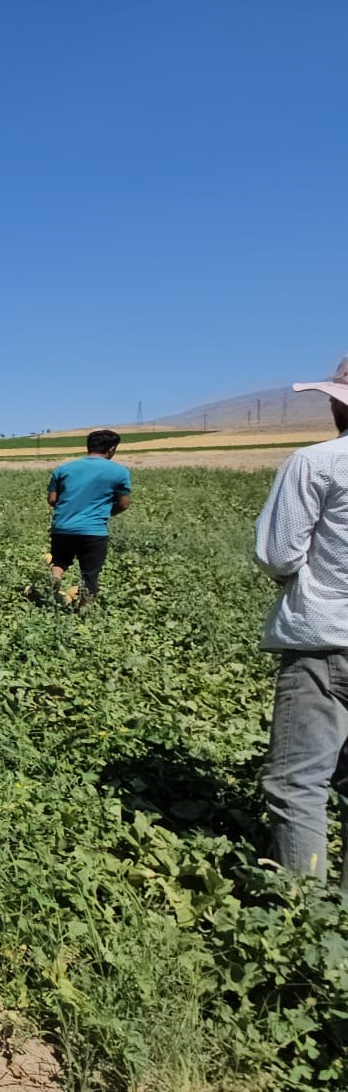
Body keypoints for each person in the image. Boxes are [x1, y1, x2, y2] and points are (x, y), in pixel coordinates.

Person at [257, 357, 348, 887]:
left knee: (299, 783)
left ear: (338, 404)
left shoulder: (316, 462)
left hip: (328, 639)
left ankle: (305, 917)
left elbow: (278, 554)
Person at [46, 429, 133, 600]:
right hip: (93, 531)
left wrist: (70, 509)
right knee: (89, 575)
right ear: (112, 449)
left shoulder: (63, 469)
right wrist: (103, 513)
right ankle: (84, 611)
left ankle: (49, 591)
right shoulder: (120, 472)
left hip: (62, 527)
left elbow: (52, 499)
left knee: (59, 563)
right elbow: (124, 504)